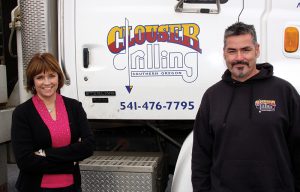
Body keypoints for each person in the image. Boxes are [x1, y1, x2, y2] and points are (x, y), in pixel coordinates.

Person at [191, 22, 300, 192]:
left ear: (257, 50)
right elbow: (200, 157)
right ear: (224, 54)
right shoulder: (212, 96)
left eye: (246, 50)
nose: (239, 57)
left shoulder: (284, 92)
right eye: (232, 51)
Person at [11, 53, 95, 192]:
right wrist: (70, 162)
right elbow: (25, 161)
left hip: (71, 187)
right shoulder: (22, 113)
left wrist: (46, 154)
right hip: (35, 188)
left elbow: (89, 146)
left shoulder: (74, 107)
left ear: (58, 77)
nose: (47, 82)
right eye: (40, 77)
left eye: (51, 75)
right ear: (32, 81)